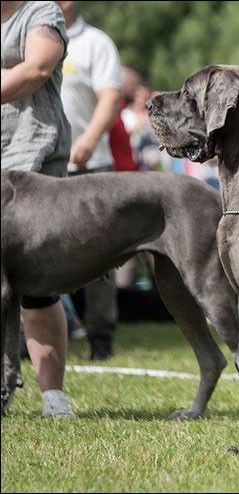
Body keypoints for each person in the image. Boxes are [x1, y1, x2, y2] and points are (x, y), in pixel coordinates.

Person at [1, 0, 75, 417]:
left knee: (36, 285)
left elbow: (37, 68)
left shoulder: (40, 11)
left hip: (32, 160)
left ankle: (53, 396)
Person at [58, 0, 123, 360]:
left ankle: (100, 338)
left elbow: (110, 98)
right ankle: (38, 339)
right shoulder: (28, 38)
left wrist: (89, 139)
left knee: (101, 257)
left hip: (92, 166)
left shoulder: (96, 42)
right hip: (42, 166)